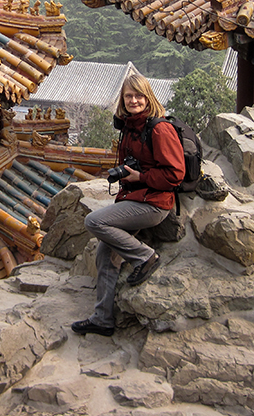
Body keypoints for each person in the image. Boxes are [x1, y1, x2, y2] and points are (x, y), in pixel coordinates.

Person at [71, 73, 185, 337]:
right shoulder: (129, 128)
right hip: (135, 199)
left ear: (148, 97)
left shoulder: (158, 129)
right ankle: (103, 319)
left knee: (94, 221)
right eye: (128, 96)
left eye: (138, 95)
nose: (133, 101)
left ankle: (145, 257)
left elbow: (174, 176)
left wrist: (140, 177)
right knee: (104, 253)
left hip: (155, 204)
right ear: (122, 99)